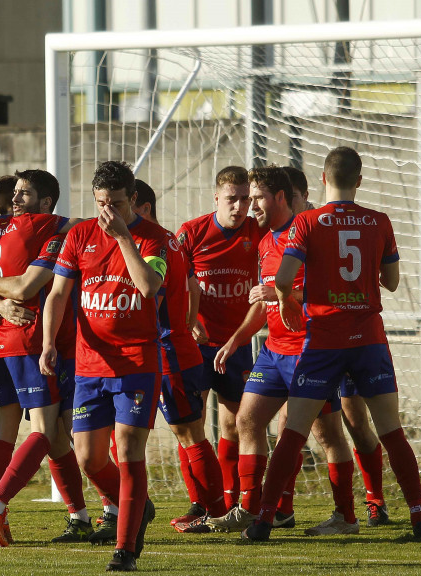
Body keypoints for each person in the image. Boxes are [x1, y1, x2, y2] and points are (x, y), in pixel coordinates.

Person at [243, 147, 421, 541]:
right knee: (390, 431)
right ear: (359, 181)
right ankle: (420, 520)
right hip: (368, 339)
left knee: (293, 431)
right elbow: (393, 282)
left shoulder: (309, 222)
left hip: (324, 341)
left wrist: (285, 300)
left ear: (323, 179)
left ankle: (263, 521)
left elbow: (282, 280)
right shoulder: (379, 221)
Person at [205, 165, 357, 536]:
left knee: (328, 435)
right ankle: (247, 508)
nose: (250, 204)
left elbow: (330, 294)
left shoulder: (309, 234)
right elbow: (262, 302)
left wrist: (282, 292)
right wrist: (236, 339)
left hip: (310, 350)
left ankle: (345, 516)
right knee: (247, 420)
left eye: (256, 197)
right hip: (274, 351)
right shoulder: (264, 240)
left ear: (280, 198)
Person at [40, 161, 166, 572]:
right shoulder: (79, 235)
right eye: (100, 204)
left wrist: (124, 238)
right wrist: (47, 344)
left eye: (114, 203)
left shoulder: (155, 238)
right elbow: (58, 294)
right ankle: (137, 504)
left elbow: (148, 287)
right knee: (88, 458)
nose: (106, 212)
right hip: (90, 366)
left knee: (129, 450)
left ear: (133, 200)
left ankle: (125, 550)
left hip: (136, 364)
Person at [0, 170, 92, 546]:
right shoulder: (46, 225)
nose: (16, 198)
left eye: (24, 192)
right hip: (29, 338)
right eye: (16, 193)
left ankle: (78, 516)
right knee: (44, 428)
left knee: (27, 430)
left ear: (43, 201)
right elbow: (80, 224)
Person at [131, 180, 226, 531]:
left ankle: (216, 513)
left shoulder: (154, 244)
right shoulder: (171, 240)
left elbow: (161, 293)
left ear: (143, 208)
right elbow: (193, 286)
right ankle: (201, 507)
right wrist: (188, 323)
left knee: (190, 434)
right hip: (167, 347)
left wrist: (181, 328)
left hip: (169, 351)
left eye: (126, 207)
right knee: (172, 435)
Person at [175, 166, 266, 513]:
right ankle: (200, 502)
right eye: (232, 199)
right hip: (197, 345)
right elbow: (174, 285)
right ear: (216, 197)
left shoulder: (258, 232)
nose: (240, 206)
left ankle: (230, 501)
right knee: (192, 425)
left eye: (245, 199)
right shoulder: (191, 233)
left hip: (237, 345)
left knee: (235, 422)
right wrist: (190, 320)